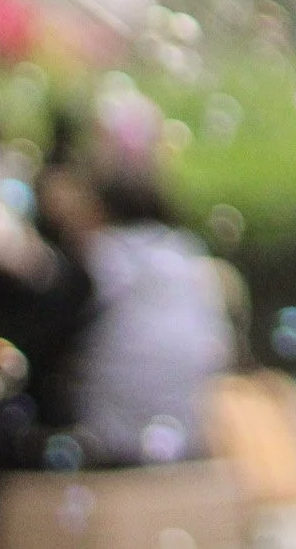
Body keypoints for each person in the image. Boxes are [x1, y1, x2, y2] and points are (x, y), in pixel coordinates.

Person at [65, 169, 234, 466]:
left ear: (102, 209)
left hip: (113, 422)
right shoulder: (185, 249)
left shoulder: (101, 255)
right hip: (191, 408)